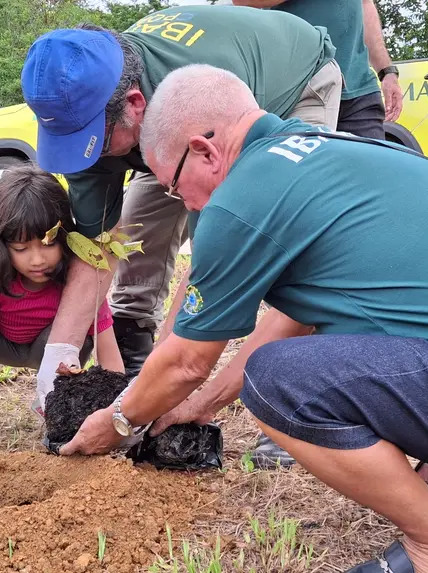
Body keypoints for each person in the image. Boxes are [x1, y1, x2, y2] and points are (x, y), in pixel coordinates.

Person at [57, 65, 428, 573]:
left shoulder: (241, 199)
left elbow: (185, 360)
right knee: (325, 350)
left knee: (278, 382)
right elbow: (293, 319)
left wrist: (118, 422)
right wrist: (199, 409)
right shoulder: (323, 148)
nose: (189, 206)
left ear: (206, 151)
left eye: (178, 186)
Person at [19, 4, 344, 390]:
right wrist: (60, 349)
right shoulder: (91, 106)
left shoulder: (199, 104)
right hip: (164, 123)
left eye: (93, 143)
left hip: (292, 81)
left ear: (134, 104)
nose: (84, 160)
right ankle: (135, 346)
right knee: (139, 230)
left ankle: (294, 394)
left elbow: (214, 256)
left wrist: (164, 380)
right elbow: (97, 247)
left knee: (284, 248)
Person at [229, 0, 403, 470]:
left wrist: (385, 67)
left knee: (366, 245)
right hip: (293, 85)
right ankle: (292, 405)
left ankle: (357, 396)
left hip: (357, 90)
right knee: (297, 246)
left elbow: (363, 4)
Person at [0, 164, 124, 449]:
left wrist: (117, 411)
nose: (37, 260)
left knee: (79, 328)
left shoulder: (77, 277)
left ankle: (56, 413)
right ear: (2, 246)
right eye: (21, 249)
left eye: (48, 245)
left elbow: (107, 347)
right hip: (3, 342)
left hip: (52, 349)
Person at [231, 0, 402, 137]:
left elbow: (365, 5)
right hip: (297, 92)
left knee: (369, 174)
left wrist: (386, 71)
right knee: (302, 175)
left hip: (359, 89)